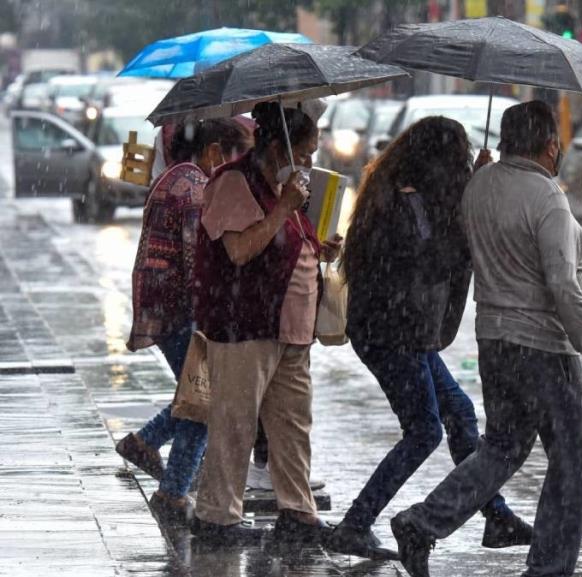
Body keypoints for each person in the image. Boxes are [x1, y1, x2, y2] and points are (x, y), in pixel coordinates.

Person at [389, 101, 582, 577]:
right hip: (544, 348)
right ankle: (549, 568)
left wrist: (480, 177)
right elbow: (562, 284)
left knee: (501, 448)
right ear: (550, 145)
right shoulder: (547, 198)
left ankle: (423, 522)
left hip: (495, 343)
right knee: (572, 466)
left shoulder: (479, 187)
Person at [326, 117, 533, 560]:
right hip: (390, 333)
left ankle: (495, 517)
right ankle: (356, 524)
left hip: (403, 332)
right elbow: (431, 259)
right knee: (423, 431)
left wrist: (473, 186)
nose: (460, 163)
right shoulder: (403, 202)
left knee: (458, 413)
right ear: (436, 159)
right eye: (456, 156)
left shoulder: (411, 194)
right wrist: (469, 200)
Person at [190, 100, 341, 546]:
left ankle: (297, 510)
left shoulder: (285, 186)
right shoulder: (235, 183)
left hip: (291, 330)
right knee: (235, 423)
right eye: (306, 152)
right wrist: (285, 208)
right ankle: (217, 516)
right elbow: (240, 251)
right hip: (245, 324)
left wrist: (319, 248)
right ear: (278, 146)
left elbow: (288, 241)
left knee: (292, 426)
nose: (311, 161)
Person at [117, 118, 252, 525]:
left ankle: (145, 443)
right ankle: (172, 490)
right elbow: (199, 262)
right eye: (230, 158)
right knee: (204, 401)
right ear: (212, 151)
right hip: (181, 311)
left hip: (164, 307)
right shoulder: (193, 188)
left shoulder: (174, 177)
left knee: (197, 394)